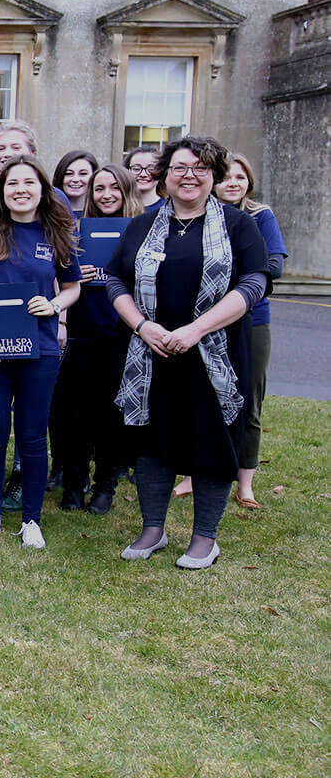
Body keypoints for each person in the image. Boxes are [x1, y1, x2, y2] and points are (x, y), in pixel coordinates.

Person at [107, 136, 268, 569]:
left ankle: (204, 539)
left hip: (214, 355)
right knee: (151, 440)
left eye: (199, 167)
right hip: (151, 353)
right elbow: (115, 282)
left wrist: (196, 329)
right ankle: (152, 529)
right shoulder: (143, 224)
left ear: (213, 175)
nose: (189, 176)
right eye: (179, 167)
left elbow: (254, 284)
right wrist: (143, 326)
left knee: (211, 441)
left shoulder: (238, 226)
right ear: (165, 176)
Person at [0, 155, 81, 550]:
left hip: (41, 351)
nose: (20, 190)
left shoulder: (56, 233)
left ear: (42, 190)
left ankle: (31, 520)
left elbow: (72, 287)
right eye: (12, 183)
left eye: (29, 183)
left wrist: (56, 306)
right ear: (1, 190)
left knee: (32, 436)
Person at [49, 163, 140, 515]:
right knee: (75, 415)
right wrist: (75, 275)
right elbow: (57, 277)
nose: (106, 195)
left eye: (114, 188)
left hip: (123, 333)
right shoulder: (75, 230)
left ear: (126, 191)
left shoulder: (142, 229)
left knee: (111, 414)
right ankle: (73, 486)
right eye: (99, 188)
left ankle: (105, 486)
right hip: (82, 331)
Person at [212, 152, 287, 509]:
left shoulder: (261, 216)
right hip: (206, 320)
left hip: (253, 319)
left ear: (249, 183)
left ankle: (245, 483)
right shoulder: (205, 215)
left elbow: (274, 264)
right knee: (207, 397)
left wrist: (235, 283)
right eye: (225, 177)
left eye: (239, 178)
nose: (232, 183)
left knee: (250, 401)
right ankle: (200, 474)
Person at [0, 121, 41, 209]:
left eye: (16, 148)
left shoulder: (54, 196)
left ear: (32, 153)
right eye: (1, 148)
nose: (7, 154)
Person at [53, 150, 99, 216]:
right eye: (69, 173)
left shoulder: (103, 214)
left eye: (83, 173)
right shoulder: (45, 213)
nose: (75, 179)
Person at [124, 145, 163, 212]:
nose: (143, 174)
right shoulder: (118, 209)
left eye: (151, 169)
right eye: (136, 169)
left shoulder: (170, 210)